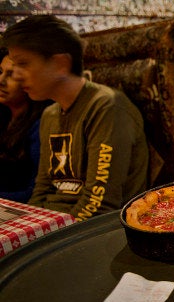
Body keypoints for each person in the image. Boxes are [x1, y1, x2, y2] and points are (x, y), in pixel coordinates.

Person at [2, 15, 149, 221]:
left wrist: (43, 240)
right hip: (56, 226)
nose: (16, 76)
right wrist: (31, 229)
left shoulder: (107, 106)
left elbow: (100, 205)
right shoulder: (49, 114)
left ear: (61, 64)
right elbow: (42, 189)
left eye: (23, 64)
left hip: (96, 232)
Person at [0, 48, 51, 203]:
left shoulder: (40, 125)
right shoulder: (4, 115)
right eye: (0, 71)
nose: (1, 81)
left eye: (11, 75)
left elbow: (35, 192)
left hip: (23, 211)